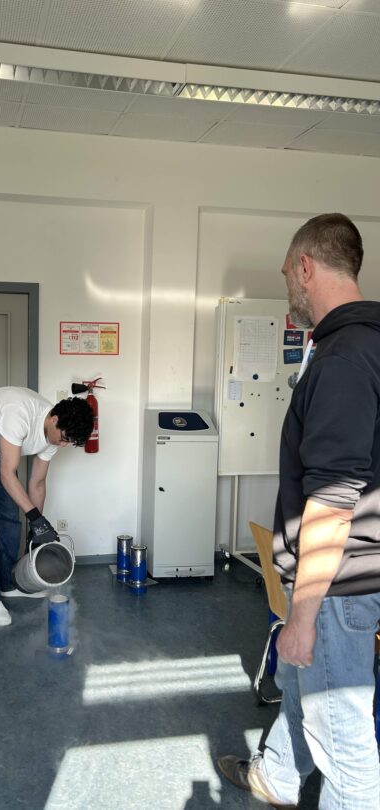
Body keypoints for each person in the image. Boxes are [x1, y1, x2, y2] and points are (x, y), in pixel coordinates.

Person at [218, 213, 380, 808]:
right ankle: (278, 777)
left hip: (339, 581)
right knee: (300, 679)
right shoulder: (368, 344)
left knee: (345, 747)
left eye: (288, 273)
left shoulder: (342, 360)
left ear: (306, 268)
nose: (288, 285)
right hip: (361, 565)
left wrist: (304, 615)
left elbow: (334, 499)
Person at [0, 387, 94, 627]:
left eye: (69, 442)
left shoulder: (55, 435)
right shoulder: (21, 413)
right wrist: (37, 519)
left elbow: (37, 483)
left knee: (8, 520)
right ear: (54, 419)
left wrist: (35, 527)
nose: (63, 445)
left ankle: (8, 584)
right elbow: (7, 474)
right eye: (64, 438)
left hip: (1, 449)